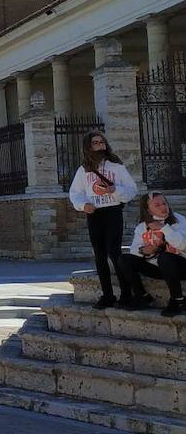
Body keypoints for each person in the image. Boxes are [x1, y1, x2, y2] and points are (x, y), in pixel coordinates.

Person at [68, 131, 138, 310]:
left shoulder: (117, 167)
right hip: (95, 214)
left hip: (113, 211)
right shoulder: (84, 170)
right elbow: (75, 193)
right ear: (88, 147)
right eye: (95, 143)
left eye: (102, 142)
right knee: (99, 255)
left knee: (114, 253)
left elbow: (132, 190)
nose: (100, 145)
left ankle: (126, 294)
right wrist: (83, 205)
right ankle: (107, 295)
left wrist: (115, 190)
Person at [119, 192, 186, 316]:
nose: (163, 207)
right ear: (148, 210)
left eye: (164, 203)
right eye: (157, 205)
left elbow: (182, 245)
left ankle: (178, 300)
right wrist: (144, 250)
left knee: (165, 257)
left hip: (181, 266)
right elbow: (134, 250)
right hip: (159, 268)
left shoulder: (179, 220)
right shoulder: (142, 227)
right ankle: (142, 296)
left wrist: (164, 228)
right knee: (124, 259)